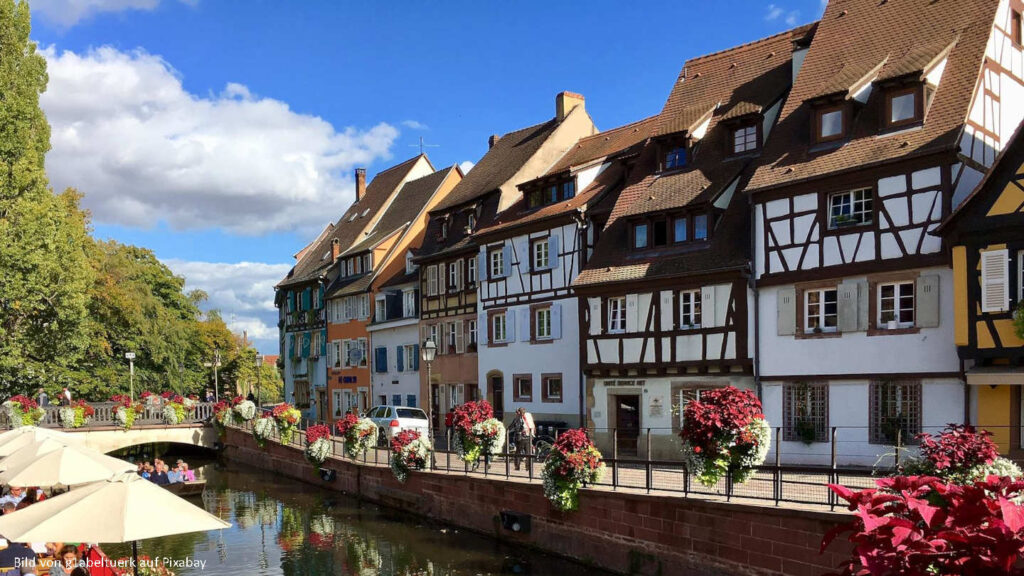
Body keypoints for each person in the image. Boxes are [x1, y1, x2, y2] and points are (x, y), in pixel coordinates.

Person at [509, 407, 536, 471]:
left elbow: (513, 426)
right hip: (524, 437)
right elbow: (512, 426)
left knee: (523, 452)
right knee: (523, 452)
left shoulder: (522, 417)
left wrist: (508, 430)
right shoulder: (523, 417)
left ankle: (522, 466)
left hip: (524, 437)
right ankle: (523, 467)